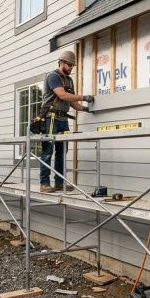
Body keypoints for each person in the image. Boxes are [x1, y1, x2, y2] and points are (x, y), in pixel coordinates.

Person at [39, 50, 95, 193]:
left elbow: (72, 102)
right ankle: (44, 183)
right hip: (50, 118)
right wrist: (83, 97)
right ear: (61, 62)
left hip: (63, 119)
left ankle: (59, 183)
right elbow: (62, 95)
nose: (71, 67)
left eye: (72, 65)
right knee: (48, 151)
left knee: (62, 151)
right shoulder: (53, 76)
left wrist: (85, 108)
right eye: (69, 65)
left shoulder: (69, 80)